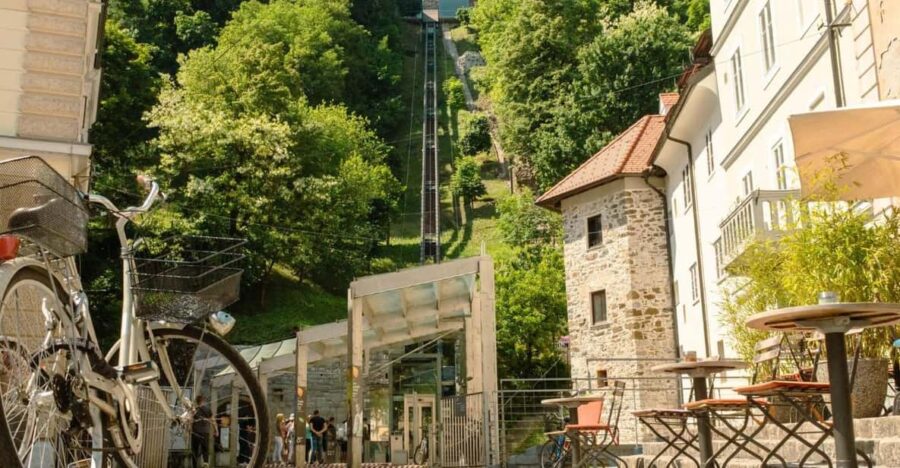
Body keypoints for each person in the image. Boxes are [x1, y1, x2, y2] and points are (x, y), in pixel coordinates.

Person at [191, 395, 215, 468]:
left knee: (194, 450)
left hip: (195, 432)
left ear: (197, 402)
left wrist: (189, 430)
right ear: (203, 401)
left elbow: (190, 420)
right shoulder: (208, 409)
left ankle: (194, 466)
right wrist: (216, 430)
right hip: (205, 432)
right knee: (205, 449)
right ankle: (205, 464)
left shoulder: (194, 410)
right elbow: (213, 420)